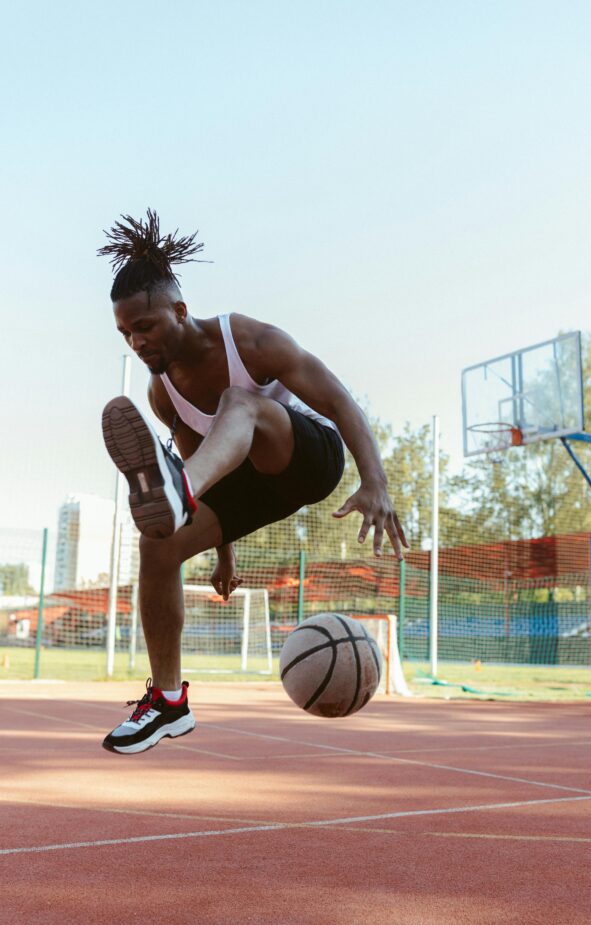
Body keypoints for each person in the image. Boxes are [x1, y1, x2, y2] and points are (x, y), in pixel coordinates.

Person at [97, 210, 408, 754]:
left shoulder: (249, 339)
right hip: (247, 486)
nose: (137, 342)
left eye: (144, 327)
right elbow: (211, 469)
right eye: (126, 333)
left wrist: (374, 481)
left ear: (180, 310)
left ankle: (174, 491)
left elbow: (337, 400)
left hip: (307, 456)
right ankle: (169, 703)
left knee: (238, 403)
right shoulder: (161, 392)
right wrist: (224, 550)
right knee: (158, 545)